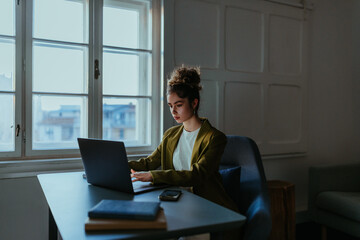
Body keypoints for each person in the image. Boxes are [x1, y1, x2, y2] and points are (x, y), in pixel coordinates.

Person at [129, 66, 238, 214]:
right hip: (176, 201)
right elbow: (149, 162)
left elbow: (196, 175)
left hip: (207, 205)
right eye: (170, 106)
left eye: (179, 105)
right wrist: (117, 165)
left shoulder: (214, 138)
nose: (173, 111)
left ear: (194, 103)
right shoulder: (170, 134)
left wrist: (153, 176)